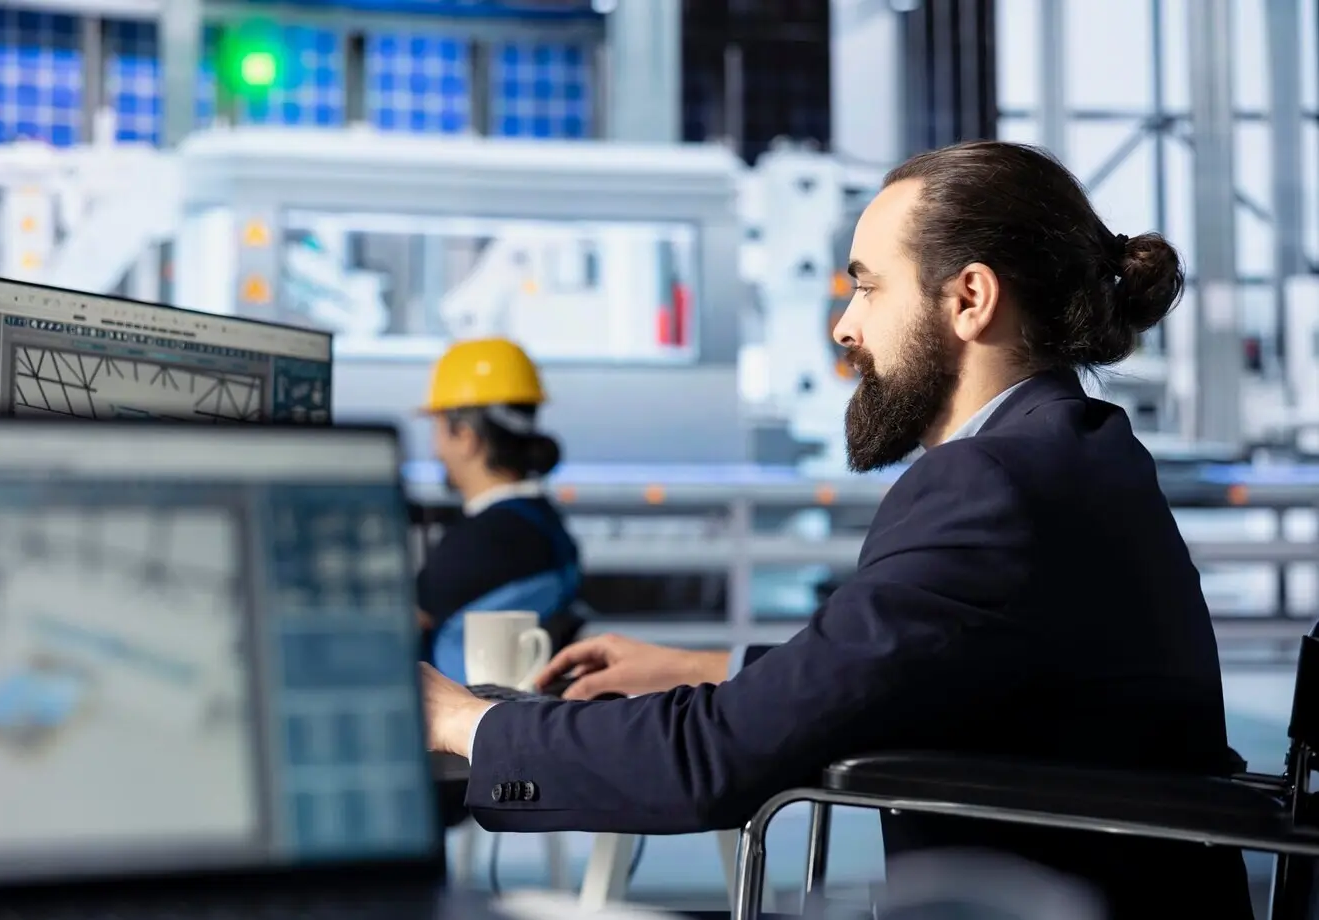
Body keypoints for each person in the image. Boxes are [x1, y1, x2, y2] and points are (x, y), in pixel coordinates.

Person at [421, 142, 1253, 918]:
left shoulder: (988, 484)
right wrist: (707, 666)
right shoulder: (1079, 447)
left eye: (868, 286)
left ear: (969, 298)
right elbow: (938, 669)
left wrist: (465, 723)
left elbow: (721, 757)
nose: (844, 326)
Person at [415, 337, 582, 684]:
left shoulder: (472, 546)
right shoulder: (546, 525)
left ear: (465, 436)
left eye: (438, 428)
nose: (436, 449)